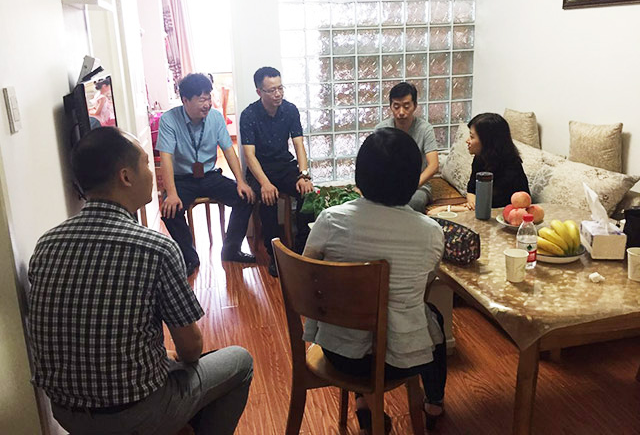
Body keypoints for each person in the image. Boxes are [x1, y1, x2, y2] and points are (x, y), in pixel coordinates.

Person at [28, 127, 253, 435]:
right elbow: (191, 349)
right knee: (239, 362)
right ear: (126, 176)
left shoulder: (47, 244)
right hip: (135, 414)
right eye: (147, 163)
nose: (152, 174)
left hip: (66, 413)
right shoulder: (155, 248)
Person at [303, 128, 447, 434]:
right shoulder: (431, 232)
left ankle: (365, 404)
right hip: (401, 359)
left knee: (357, 316)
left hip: (339, 353)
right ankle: (434, 402)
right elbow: (423, 288)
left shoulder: (330, 220)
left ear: (360, 175)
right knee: (431, 315)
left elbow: (308, 279)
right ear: (413, 179)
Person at [157, 73, 256, 275]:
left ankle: (231, 249)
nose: (207, 104)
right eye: (202, 99)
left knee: (245, 197)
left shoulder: (216, 117)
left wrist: (241, 181)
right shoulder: (169, 120)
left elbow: (228, 150)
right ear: (185, 100)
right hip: (182, 179)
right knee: (170, 211)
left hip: (210, 175)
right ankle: (189, 258)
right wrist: (171, 193)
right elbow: (165, 158)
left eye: (209, 98)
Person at [240, 66, 314, 277]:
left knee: (307, 192)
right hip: (259, 169)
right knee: (268, 198)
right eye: (272, 90)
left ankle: (302, 248)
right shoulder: (249, 115)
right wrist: (265, 183)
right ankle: (274, 254)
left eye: (280, 88)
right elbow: (249, 156)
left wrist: (304, 175)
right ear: (259, 92)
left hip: (283, 165)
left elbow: (299, 145)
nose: (278, 94)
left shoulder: (290, 110)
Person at [375, 82, 439, 214]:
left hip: (418, 186)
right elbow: (373, 162)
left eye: (406, 106)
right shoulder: (382, 129)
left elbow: (434, 166)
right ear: (390, 106)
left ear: (415, 105)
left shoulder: (425, 129)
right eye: (396, 106)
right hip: (388, 184)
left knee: (412, 203)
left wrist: (412, 186)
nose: (401, 112)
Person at [464, 112, 530, 209]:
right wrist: (472, 203)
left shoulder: (511, 168)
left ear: (487, 141)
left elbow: (491, 208)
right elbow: (471, 190)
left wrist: (447, 209)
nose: (467, 141)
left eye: (472, 137)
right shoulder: (480, 158)